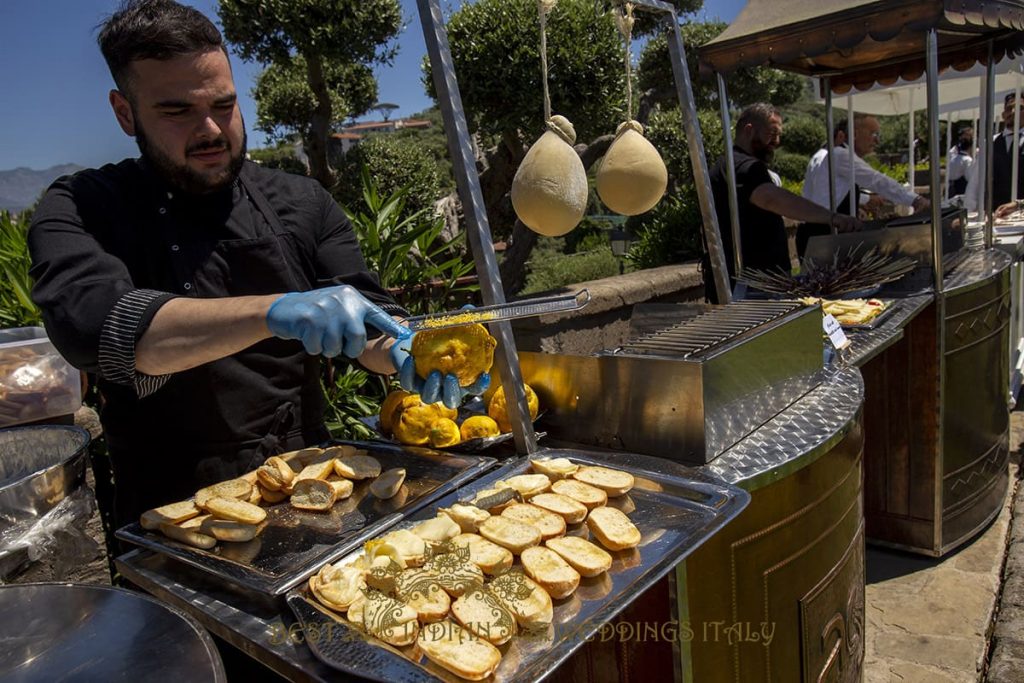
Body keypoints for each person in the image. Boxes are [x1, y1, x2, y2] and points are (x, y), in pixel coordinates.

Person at [27, 0, 485, 529]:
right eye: (177, 111)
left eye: (224, 105)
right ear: (125, 112)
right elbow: (100, 331)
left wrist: (407, 350)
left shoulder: (301, 202)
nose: (211, 130)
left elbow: (372, 321)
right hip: (170, 515)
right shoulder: (82, 207)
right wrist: (275, 311)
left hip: (307, 489)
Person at [706, 103, 861, 304]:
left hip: (758, 282)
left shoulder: (735, 164)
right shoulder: (743, 166)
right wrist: (832, 217)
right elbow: (773, 199)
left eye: (779, 135)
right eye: (772, 133)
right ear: (749, 130)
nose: (776, 142)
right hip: (750, 285)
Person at [801, 114, 930, 218]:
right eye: (873, 134)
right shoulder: (840, 155)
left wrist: (863, 200)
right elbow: (876, 180)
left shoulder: (824, 155)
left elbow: (829, 194)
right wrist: (915, 200)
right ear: (855, 134)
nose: (877, 141)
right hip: (824, 232)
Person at [992, 92, 1024, 207]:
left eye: (1020, 108)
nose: (1013, 112)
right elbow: (977, 182)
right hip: (996, 213)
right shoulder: (991, 143)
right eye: (1009, 108)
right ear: (1003, 114)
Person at [947, 126, 974, 197]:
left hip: (950, 189)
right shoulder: (967, 160)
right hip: (960, 191)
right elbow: (970, 178)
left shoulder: (954, 157)